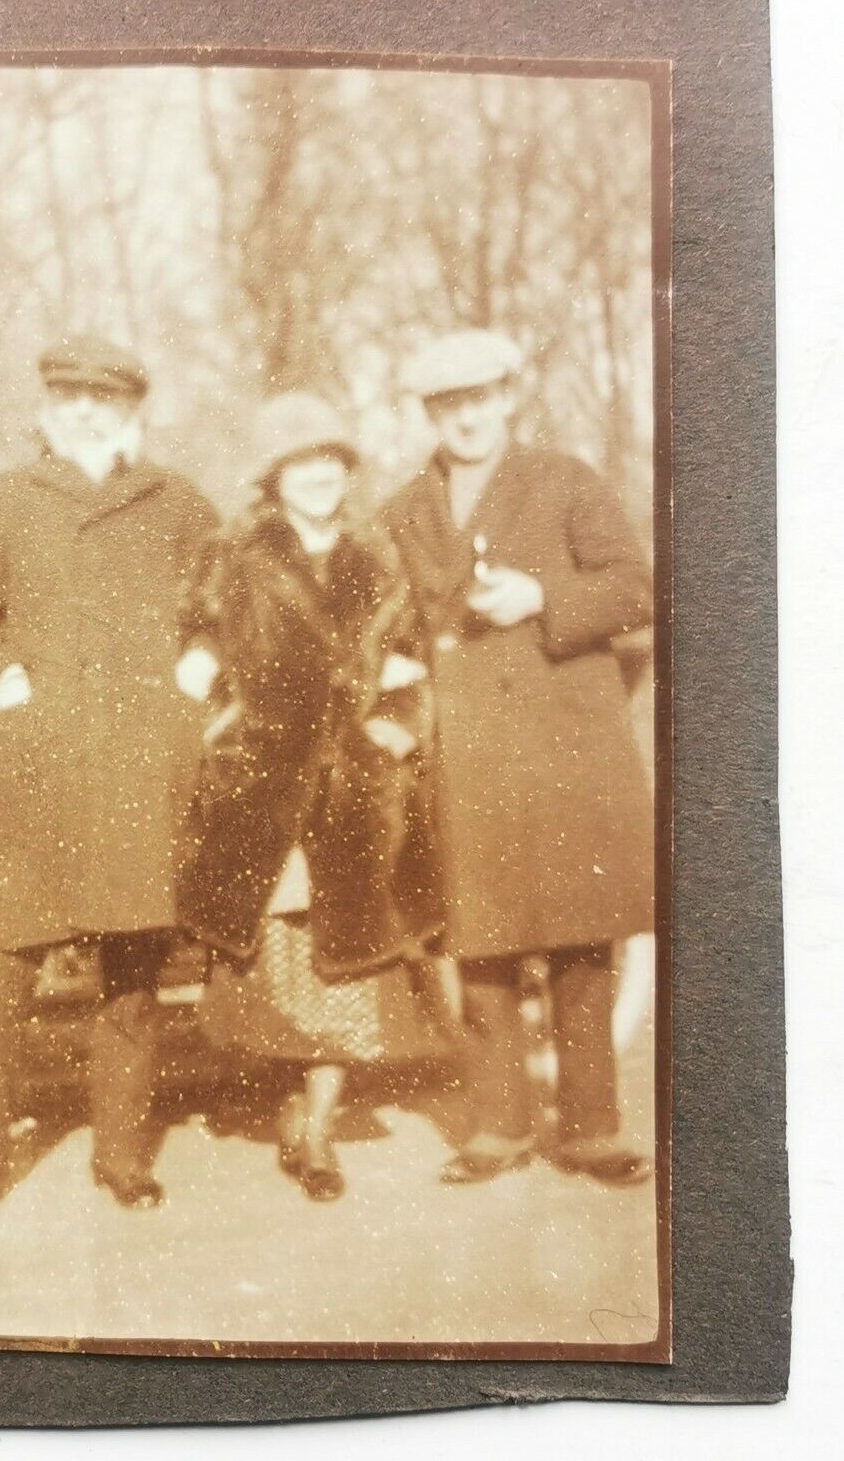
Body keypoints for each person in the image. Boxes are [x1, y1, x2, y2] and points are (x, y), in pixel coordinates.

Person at [0, 334, 218, 1229]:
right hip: (38, 766)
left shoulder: (178, 504)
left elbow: (222, 604)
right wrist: (0, 681)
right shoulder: (5, 500)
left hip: (140, 764)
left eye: (103, 399)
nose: (84, 411)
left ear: (133, 412)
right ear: (47, 409)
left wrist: (195, 673)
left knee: (131, 973)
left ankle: (123, 1157)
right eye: (68, 397)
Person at [378, 329, 655, 1186]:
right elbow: (389, 622)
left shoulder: (564, 481)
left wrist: (542, 596)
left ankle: (590, 1129)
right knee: (481, 942)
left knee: (578, 939)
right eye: (447, 405)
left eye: (479, 400)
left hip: (563, 741)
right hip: (463, 752)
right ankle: (496, 1127)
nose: (465, 419)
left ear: (507, 399)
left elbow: (635, 587)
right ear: (431, 414)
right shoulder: (402, 511)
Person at [175, 391, 444, 1202]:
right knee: (281, 969)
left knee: (350, 973)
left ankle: (319, 1133)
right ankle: (294, 1108)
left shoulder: (380, 558)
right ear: (275, 476)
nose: (321, 474)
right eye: (303, 461)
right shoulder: (232, 558)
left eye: (332, 459)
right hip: (265, 790)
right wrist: (213, 719)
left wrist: (395, 728)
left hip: (356, 793)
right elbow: (195, 649)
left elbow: (411, 662)